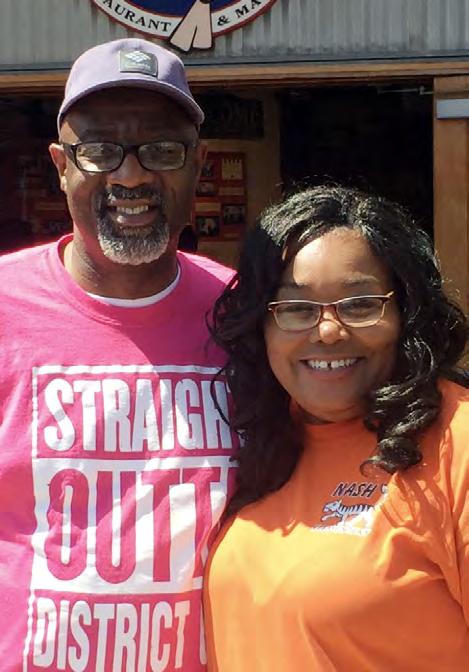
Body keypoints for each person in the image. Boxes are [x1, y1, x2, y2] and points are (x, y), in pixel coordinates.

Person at [0, 38, 237, 671]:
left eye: (162, 150)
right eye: (100, 150)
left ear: (199, 164)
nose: (131, 176)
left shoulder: (246, 316)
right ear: (61, 165)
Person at [204, 185, 469, 671]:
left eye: (360, 304)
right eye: (296, 309)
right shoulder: (261, 439)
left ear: (406, 313)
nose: (327, 331)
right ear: (261, 326)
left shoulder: (458, 442)